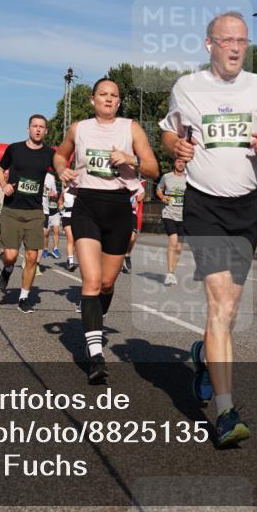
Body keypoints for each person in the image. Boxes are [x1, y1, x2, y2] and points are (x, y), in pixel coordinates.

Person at [159, 12, 257, 448]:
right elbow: (168, 132)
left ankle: (201, 355)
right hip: (203, 204)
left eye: (242, 41)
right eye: (227, 40)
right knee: (219, 304)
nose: (236, 47)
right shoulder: (187, 87)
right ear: (209, 44)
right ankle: (226, 411)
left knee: (228, 311)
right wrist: (174, 145)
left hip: (245, 207)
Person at [55, 78, 158, 383]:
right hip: (87, 204)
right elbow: (60, 155)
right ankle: (95, 354)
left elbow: (154, 168)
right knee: (91, 280)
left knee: (107, 283)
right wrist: (62, 169)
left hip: (118, 208)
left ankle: (94, 321)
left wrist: (131, 160)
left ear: (119, 101)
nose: (109, 99)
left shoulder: (131, 128)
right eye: (103, 94)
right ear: (93, 99)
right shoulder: (79, 128)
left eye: (114, 95)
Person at [0, 115, 55, 313]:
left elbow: (63, 169)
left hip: (35, 212)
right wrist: (4, 185)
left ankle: (23, 297)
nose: (38, 130)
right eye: (35, 126)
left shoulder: (49, 154)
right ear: (28, 128)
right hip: (12, 210)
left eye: (42, 127)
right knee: (11, 255)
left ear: (46, 131)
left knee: (31, 257)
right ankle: (7, 269)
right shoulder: (15, 148)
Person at [157, 158, 188, 285]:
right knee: (173, 241)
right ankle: (169, 273)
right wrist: (162, 196)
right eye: (178, 161)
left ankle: (172, 272)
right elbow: (159, 189)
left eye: (183, 162)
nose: (181, 164)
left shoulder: (190, 178)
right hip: (169, 213)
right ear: (174, 163)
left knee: (179, 248)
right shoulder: (166, 177)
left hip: (184, 216)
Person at [122, 187, 145, 274]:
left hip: (131, 213)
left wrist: (139, 200)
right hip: (117, 213)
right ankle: (120, 263)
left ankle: (127, 254)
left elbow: (142, 192)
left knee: (132, 237)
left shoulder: (133, 181)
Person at [41, 170, 62, 261]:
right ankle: (45, 249)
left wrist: (55, 196)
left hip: (55, 212)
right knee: (45, 233)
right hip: (46, 211)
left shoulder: (59, 186)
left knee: (56, 230)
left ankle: (55, 249)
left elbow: (59, 198)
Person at [61, 188, 77, 272]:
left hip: (78, 217)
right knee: (70, 239)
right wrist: (60, 205)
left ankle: (69, 258)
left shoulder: (79, 190)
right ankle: (71, 262)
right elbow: (60, 201)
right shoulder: (64, 190)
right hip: (67, 216)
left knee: (75, 241)